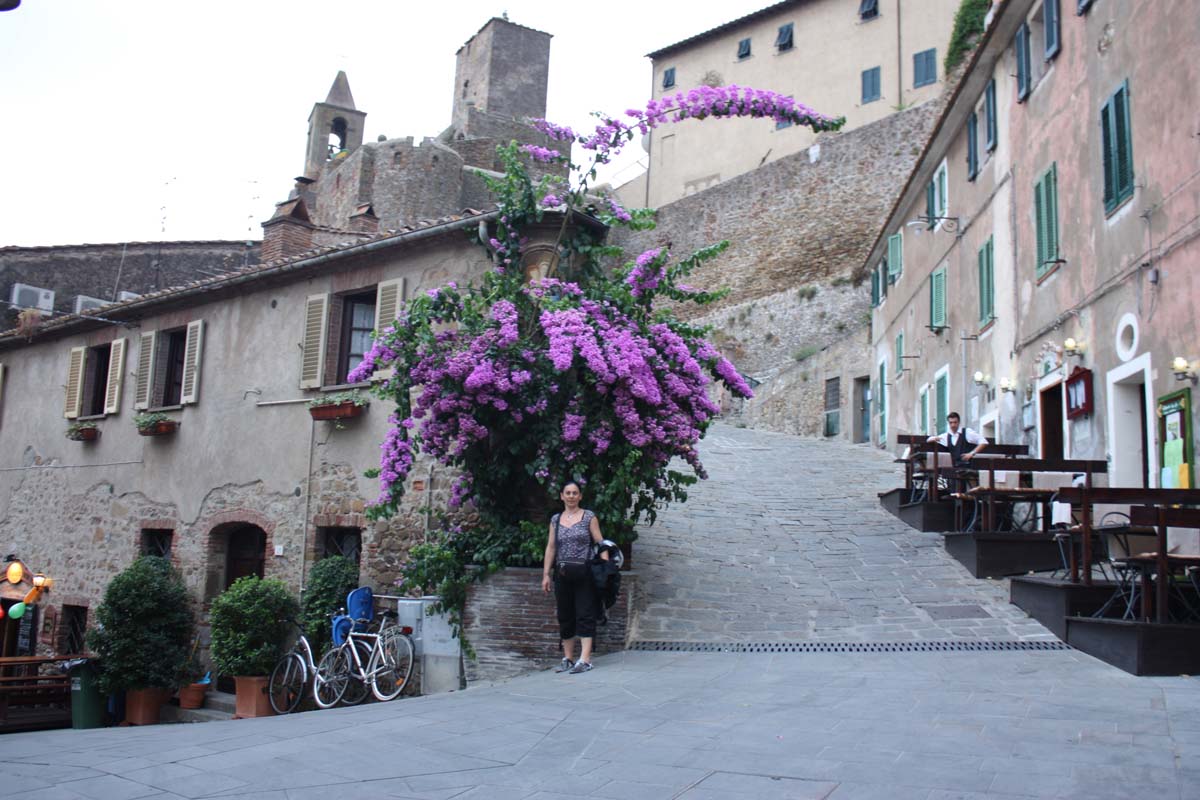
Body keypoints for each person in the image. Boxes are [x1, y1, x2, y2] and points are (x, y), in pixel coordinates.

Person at [541, 481, 609, 674]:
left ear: (580, 496)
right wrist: (546, 574)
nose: (571, 496)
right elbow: (551, 547)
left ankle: (585, 659)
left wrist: (605, 567)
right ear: (561, 496)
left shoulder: (589, 517)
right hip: (562, 573)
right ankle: (568, 657)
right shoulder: (555, 520)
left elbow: (600, 542)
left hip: (584, 572)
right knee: (565, 614)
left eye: (575, 493)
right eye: (568, 493)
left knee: (585, 613)